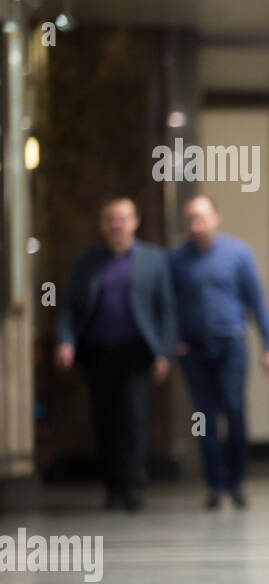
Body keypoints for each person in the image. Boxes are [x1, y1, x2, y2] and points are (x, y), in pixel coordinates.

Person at [54, 196, 178, 511]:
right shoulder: (87, 261)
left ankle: (134, 486)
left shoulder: (155, 260)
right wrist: (66, 341)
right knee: (105, 421)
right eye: (110, 219)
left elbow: (167, 310)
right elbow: (68, 308)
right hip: (98, 353)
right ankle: (112, 486)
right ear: (102, 225)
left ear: (135, 221)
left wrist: (164, 352)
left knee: (134, 420)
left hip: (137, 353)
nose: (116, 225)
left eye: (122, 218)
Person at [170, 194, 269, 510]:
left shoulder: (237, 254)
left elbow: (256, 301)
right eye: (190, 218)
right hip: (194, 347)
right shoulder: (177, 259)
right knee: (203, 417)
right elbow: (169, 304)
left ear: (216, 217)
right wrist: (173, 340)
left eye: (202, 217)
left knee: (233, 408)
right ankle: (215, 484)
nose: (196, 224)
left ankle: (237, 480)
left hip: (231, 342)